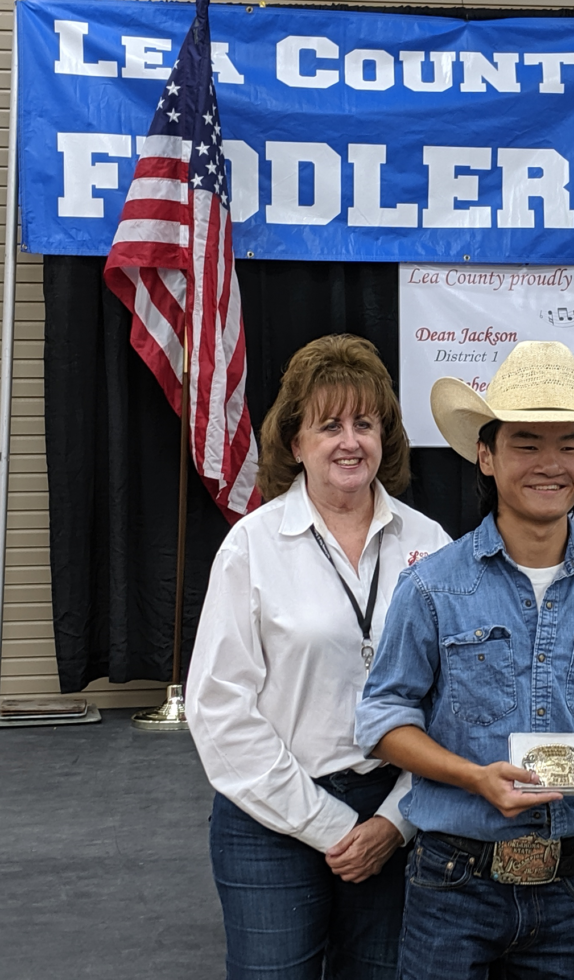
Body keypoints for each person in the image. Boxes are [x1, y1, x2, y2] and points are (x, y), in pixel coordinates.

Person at [354, 341, 574, 980]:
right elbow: (382, 721)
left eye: (571, 444)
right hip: (453, 885)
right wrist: (474, 778)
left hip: (572, 885)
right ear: (486, 455)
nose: (551, 464)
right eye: (526, 443)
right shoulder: (432, 588)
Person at [186, 334, 451, 980]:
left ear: (386, 437)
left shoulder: (434, 547)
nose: (349, 441)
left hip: (399, 813)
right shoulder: (252, 548)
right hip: (271, 819)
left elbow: (458, 701)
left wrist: (394, 822)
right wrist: (330, 824)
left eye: (365, 423)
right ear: (295, 442)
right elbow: (219, 711)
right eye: (328, 425)